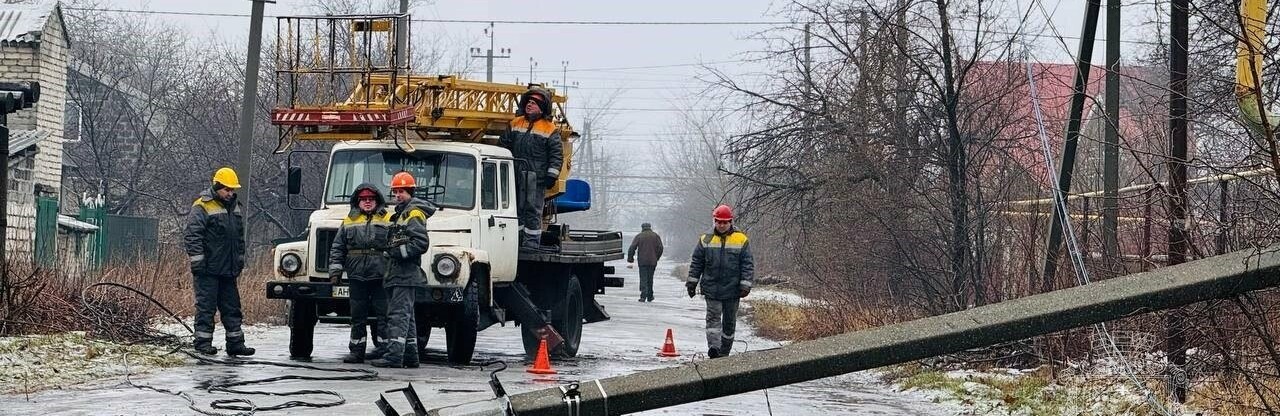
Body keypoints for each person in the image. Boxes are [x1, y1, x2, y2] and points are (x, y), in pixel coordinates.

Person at [183, 167, 255, 356]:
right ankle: (203, 344)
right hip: (208, 270)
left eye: (232, 190)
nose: (230, 193)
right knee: (206, 308)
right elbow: (192, 236)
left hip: (228, 269)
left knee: (232, 308)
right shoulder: (202, 206)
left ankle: (235, 343)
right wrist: (198, 263)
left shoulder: (235, 207)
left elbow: (239, 238)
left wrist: (239, 260)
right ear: (217, 187)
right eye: (227, 190)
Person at [368, 171, 435, 368]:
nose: (398, 195)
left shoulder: (413, 213)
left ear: (410, 192)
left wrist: (397, 252)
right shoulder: (400, 214)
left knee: (398, 316)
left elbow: (421, 243)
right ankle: (411, 357)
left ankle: (394, 357)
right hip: (398, 275)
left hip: (404, 274)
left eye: (402, 192)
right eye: (396, 192)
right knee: (408, 317)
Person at [329, 184, 393, 364]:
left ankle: (384, 350)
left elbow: (396, 245)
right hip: (356, 276)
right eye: (363, 200)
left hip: (381, 276)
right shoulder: (349, 221)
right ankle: (357, 351)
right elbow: (337, 247)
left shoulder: (388, 219)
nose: (367, 202)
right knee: (357, 316)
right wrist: (335, 271)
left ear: (377, 201)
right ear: (358, 202)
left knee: (384, 316)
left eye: (370, 199)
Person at [686, 204, 754, 359]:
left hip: (733, 289)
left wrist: (745, 284)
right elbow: (697, 262)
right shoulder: (705, 240)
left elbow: (747, 264)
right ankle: (714, 348)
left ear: (730, 222)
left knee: (729, 324)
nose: (721, 225)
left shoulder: (741, 240)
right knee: (713, 320)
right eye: (719, 222)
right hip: (712, 289)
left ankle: (724, 352)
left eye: (725, 222)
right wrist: (692, 283)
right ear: (714, 221)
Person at [499, 86, 562, 251]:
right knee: (514, 209)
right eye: (528, 102)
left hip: (536, 178)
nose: (529, 105)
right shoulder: (515, 123)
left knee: (532, 211)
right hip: (514, 174)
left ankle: (531, 244)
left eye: (534, 103)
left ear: (542, 108)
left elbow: (556, 156)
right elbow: (503, 146)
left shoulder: (550, 129)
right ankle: (517, 242)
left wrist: (551, 176)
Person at [627, 222, 664, 302]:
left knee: (643, 278)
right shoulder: (655, 236)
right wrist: (656, 257)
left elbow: (632, 248)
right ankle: (650, 296)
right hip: (652, 261)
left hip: (642, 261)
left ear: (642, 227)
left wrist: (630, 259)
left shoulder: (639, 236)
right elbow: (661, 248)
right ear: (650, 227)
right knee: (650, 278)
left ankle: (643, 296)